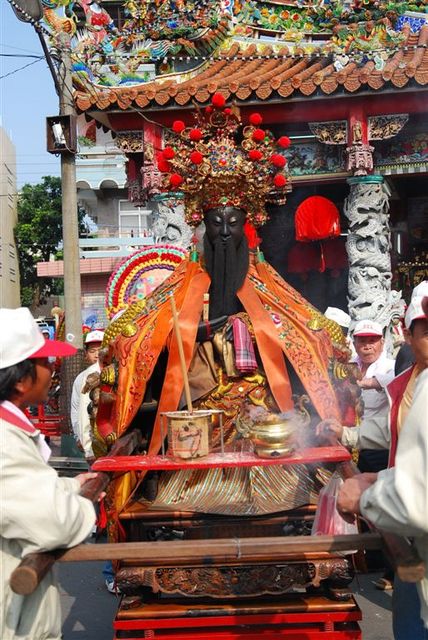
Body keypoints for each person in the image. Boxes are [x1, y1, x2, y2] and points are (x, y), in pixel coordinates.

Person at [95, 102, 358, 532]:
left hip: (265, 425)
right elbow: (140, 343)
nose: (222, 232)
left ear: (247, 224)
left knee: (286, 467)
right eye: (214, 223)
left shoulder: (269, 291)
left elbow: (307, 339)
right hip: (198, 426)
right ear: (201, 227)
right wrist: (193, 332)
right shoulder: (181, 292)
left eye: (232, 222)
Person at [0, 307, 96, 640]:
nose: (52, 370)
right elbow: (57, 523)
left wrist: (69, 488)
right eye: (44, 363)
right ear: (20, 379)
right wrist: (84, 506)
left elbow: (18, 498)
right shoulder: (4, 441)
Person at [337, 294, 428, 640]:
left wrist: (364, 498)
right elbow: (392, 429)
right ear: (407, 333)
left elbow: (418, 497)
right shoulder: (412, 381)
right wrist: (348, 435)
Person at [352, 319, 395, 473]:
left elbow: (394, 379)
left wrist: (367, 383)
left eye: (372, 341)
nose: (367, 346)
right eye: (362, 341)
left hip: (375, 444)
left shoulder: (391, 366)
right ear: (354, 343)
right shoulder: (348, 366)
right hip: (349, 440)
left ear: (382, 343)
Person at [70, 329, 104, 461]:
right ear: (86, 354)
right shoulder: (83, 378)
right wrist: (80, 437)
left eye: (100, 350)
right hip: (93, 437)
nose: (97, 355)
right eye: (92, 351)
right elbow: (78, 409)